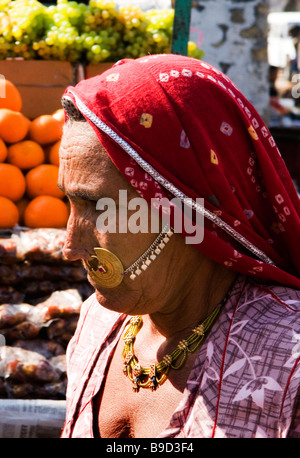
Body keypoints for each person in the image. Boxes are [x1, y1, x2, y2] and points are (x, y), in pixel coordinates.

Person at [58, 54, 300, 438]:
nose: (70, 247)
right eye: (67, 203)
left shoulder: (288, 360)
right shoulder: (96, 322)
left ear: (189, 211)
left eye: (101, 208)